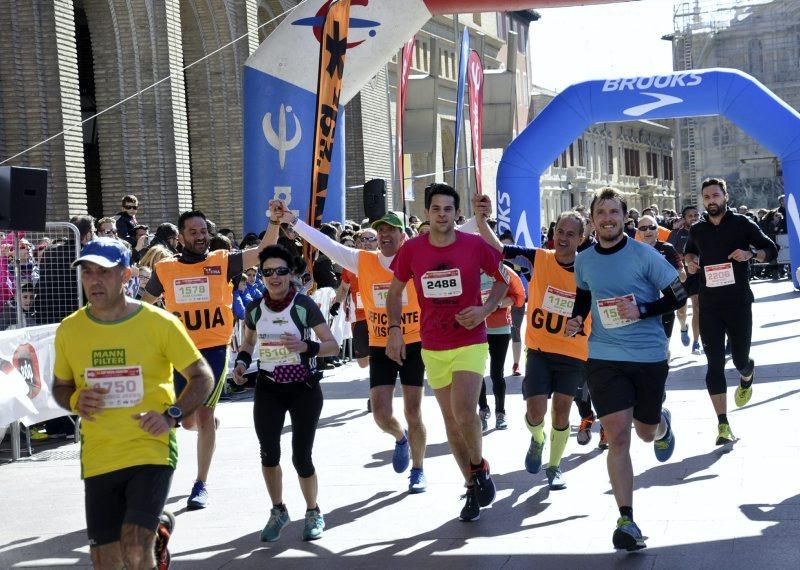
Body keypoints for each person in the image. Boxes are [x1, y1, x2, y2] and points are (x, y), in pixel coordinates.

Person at [51, 238, 213, 570]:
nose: (94, 280)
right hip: (99, 455)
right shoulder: (70, 329)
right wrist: (75, 399)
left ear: (126, 275)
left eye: (104, 272)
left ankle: (152, 533)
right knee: (105, 562)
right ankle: (160, 527)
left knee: (136, 551)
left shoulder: (159, 323)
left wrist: (173, 415)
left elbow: (202, 376)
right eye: (87, 272)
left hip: (150, 448)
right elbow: (60, 387)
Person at [268, 202, 429, 494]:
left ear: (403, 235)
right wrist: (294, 221)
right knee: (381, 414)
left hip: (413, 341)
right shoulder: (362, 260)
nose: (385, 235)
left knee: (413, 411)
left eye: (392, 230)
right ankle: (400, 438)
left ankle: (418, 469)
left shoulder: (417, 257)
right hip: (381, 344)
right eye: (381, 230)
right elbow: (326, 244)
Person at [565, 187, 686, 551]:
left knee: (646, 432)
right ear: (593, 220)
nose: (607, 218)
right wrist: (576, 319)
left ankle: (661, 422)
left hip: (648, 355)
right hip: (603, 355)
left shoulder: (644, 255)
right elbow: (585, 295)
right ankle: (626, 520)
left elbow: (678, 294)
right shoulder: (584, 259)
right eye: (601, 212)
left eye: (614, 211)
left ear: (624, 216)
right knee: (618, 437)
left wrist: (644, 311)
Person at [386, 183, 509, 521]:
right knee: (451, 422)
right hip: (433, 344)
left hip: (470, 339)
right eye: (436, 208)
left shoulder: (474, 245)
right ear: (427, 212)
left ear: (457, 214)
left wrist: (484, 311)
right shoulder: (411, 250)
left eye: (448, 209)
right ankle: (471, 484)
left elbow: (505, 280)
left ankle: (478, 466)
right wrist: (395, 330)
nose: (442, 215)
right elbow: (394, 293)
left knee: (464, 410)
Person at [141, 209, 271, 510]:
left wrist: (273, 223)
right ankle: (206, 422)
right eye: (194, 231)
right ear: (181, 237)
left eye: (204, 230)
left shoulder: (222, 260)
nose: (201, 236)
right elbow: (145, 303)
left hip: (213, 349)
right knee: (186, 421)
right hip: (179, 351)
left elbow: (262, 252)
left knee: (200, 416)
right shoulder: (165, 269)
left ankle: (200, 484)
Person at [474, 196, 591, 490]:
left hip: (573, 351)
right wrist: (481, 219)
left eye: (570, 234)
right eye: (559, 232)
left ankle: (554, 466)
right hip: (539, 350)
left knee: (562, 410)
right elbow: (498, 248)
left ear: (581, 238)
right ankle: (537, 439)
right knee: (535, 411)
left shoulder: (589, 269)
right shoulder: (540, 257)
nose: (563, 238)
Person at [232, 245, 339, 542]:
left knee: (301, 457)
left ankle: (313, 511)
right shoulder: (255, 309)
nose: (274, 277)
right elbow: (247, 344)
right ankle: (278, 510)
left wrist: (307, 347)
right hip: (269, 387)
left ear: (291, 274)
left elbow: (333, 345)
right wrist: (241, 365)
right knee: (269, 454)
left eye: (280, 271)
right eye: (267, 272)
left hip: (303, 388)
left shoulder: (303, 305)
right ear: (262, 276)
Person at [684, 178, 777, 445]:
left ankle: (747, 374)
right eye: (707, 196)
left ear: (725, 196)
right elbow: (689, 254)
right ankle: (722, 424)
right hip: (710, 304)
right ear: (703, 200)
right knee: (713, 364)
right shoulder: (698, 229)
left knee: (739, 359)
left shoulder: (742, 224)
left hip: (738, 302)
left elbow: (771, 249)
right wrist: (690, 263)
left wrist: (751, 254)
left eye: (716, 195)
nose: (711, 200)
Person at [477, 263, 525, 431]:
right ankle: (483, 410)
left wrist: (495, 304)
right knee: (476, 373)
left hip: (499, 328)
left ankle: (500, 413)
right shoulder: (465, 270)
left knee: (496, 373)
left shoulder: (501, 271)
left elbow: (516, 297)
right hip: (475, 329)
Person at [636, 215, 684, 341]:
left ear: (658, 230)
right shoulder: (633, 251)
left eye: (652, 227)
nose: (648, 231)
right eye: (643, 228)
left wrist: (667, 274)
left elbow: (682, 275)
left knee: (664, 343)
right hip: (642, 304)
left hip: (665, 304)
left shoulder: (667, 248)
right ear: (638, 232)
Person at [668, 205, 702, 352]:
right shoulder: (676, 234)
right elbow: (669, 254)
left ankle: (696, 342)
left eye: (696, 215)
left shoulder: (703, 232)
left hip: (696, 276)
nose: (694, 218)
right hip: (680, 277)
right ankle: (683, 327)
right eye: (690, 216)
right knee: (681, 311)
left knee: (697, 307)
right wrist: (684, 257)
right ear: (684, 218)